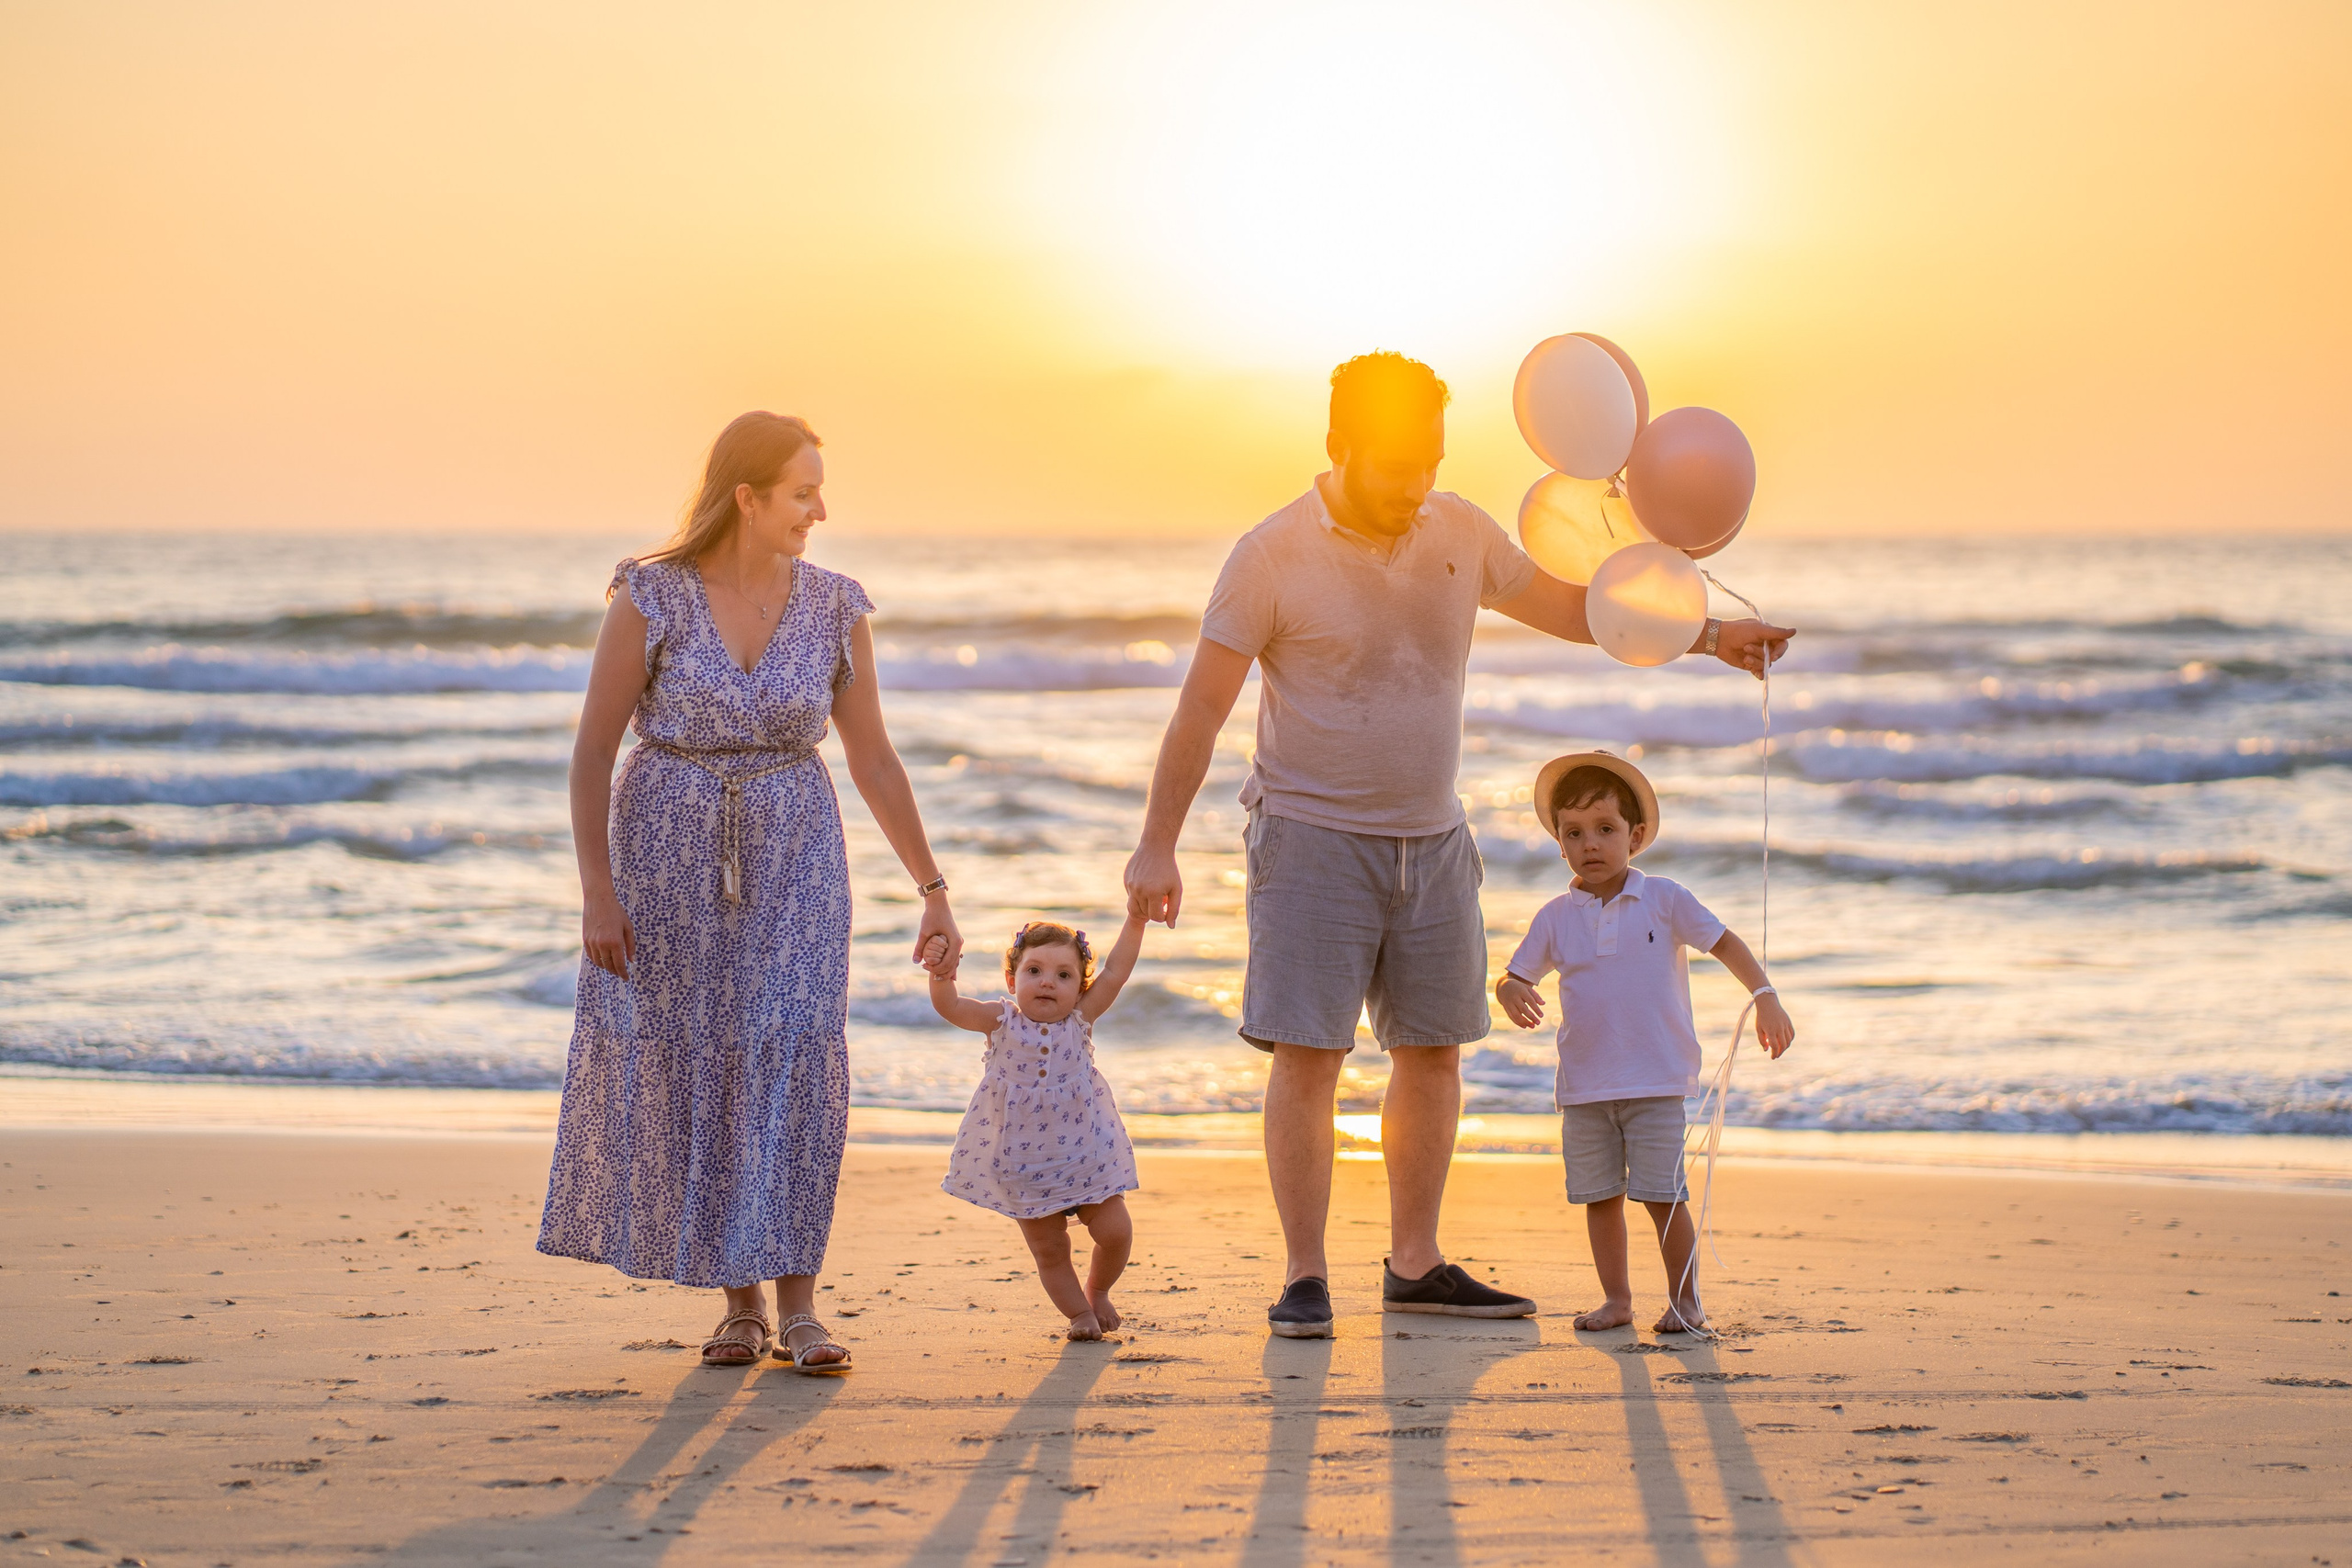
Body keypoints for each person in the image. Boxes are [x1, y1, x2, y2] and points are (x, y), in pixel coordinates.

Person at [1122, 351, 1792, 1339]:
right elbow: (1200, 712)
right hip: (1309, 841)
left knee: (1434, 1054)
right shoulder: (1269, 555)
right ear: (1337, 446)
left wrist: (1706, 636)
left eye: (1430, 462)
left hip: (1433, 841)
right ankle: (1305, 1277)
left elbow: (1575, 608)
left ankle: (1415, 1263)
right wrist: (1155, 847)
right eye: (1395, 466)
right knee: (1307, 1055)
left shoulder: (1459, 529)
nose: (1415, 485)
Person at [537, 411, 963, 1375]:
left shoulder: (835, 605)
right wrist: (596, 895)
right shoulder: (651, 596)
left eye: (819, 490)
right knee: (710, 1061)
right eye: (803, 491)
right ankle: (741, 1305)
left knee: (796, 1055)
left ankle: (801, 1304)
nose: (821, 509)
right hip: (664, 857)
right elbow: (593, 752)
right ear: (749, 497)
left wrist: (931, 888)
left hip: (797, 853)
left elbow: (875, 760)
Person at [1496, 752, 1795, 1333]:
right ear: (1559, 844)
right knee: (1599, 1197)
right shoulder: (1555, 916)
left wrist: (1765, 994)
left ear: (1634, 836)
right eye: (1575, 833)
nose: (1591, 845)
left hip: (1655, 1080)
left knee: (1664, 1196)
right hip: (1585, 1087)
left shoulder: (1664, 898)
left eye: (1605, 830)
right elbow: (1518, 974)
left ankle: (1686, 1303)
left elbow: (1725, 942)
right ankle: (1618, 1301)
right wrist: (1509, 990)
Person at [927, 917, 1146, 1340]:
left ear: (1081, 988)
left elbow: (1117, 972)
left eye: (1063, 975)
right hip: (1025, 1165)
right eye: (1034, 971)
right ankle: (1079, 1314)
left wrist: (1136, 919)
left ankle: (1098, 1290)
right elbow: (950, 1006)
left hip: (1087, 1159)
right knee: (1050, 1250)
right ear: (1012, 979)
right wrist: (941, 974)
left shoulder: (1080, 1020)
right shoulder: (1001, 1022)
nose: (1047, 982)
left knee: (1116, 1233)